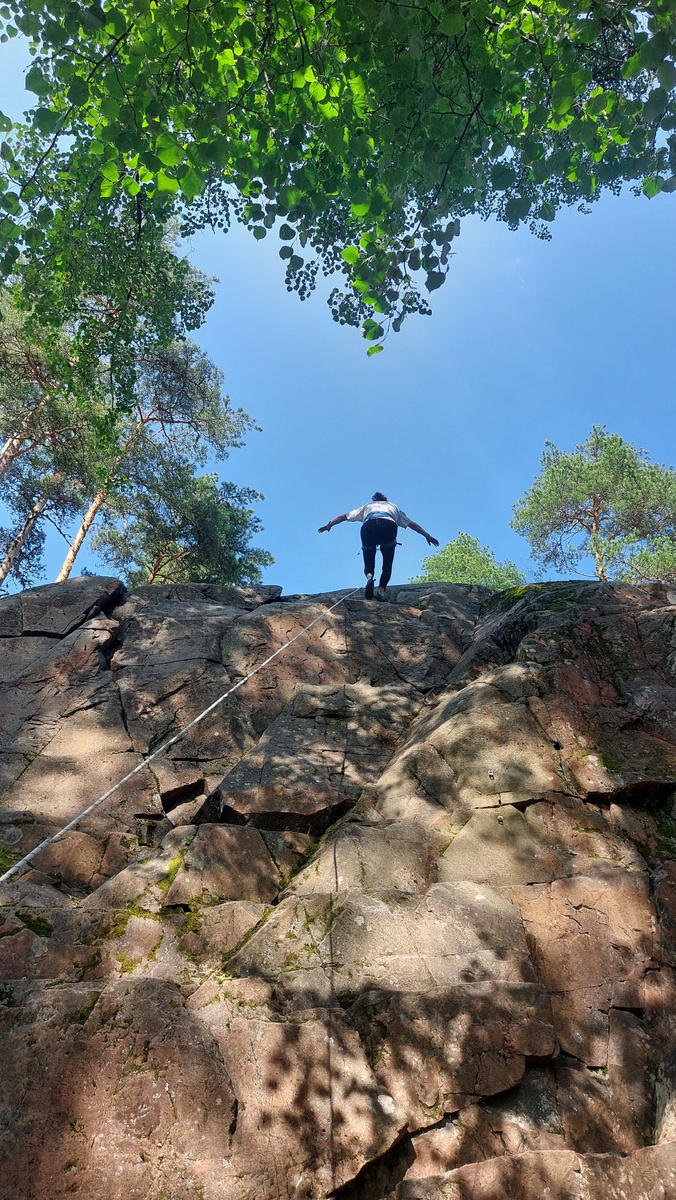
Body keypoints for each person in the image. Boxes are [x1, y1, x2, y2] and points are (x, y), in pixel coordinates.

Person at [318, 492, 439, 600]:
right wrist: (427, 535)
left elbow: (343, 516)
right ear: (385, 500)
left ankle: (369, 578)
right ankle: (381, 590)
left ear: (374, 500)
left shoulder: (367, 506)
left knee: (368, 555)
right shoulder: (393, 506)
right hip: (388, 525)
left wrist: (329, 525)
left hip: (369, 525)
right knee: (387, 562)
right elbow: (413, 525)